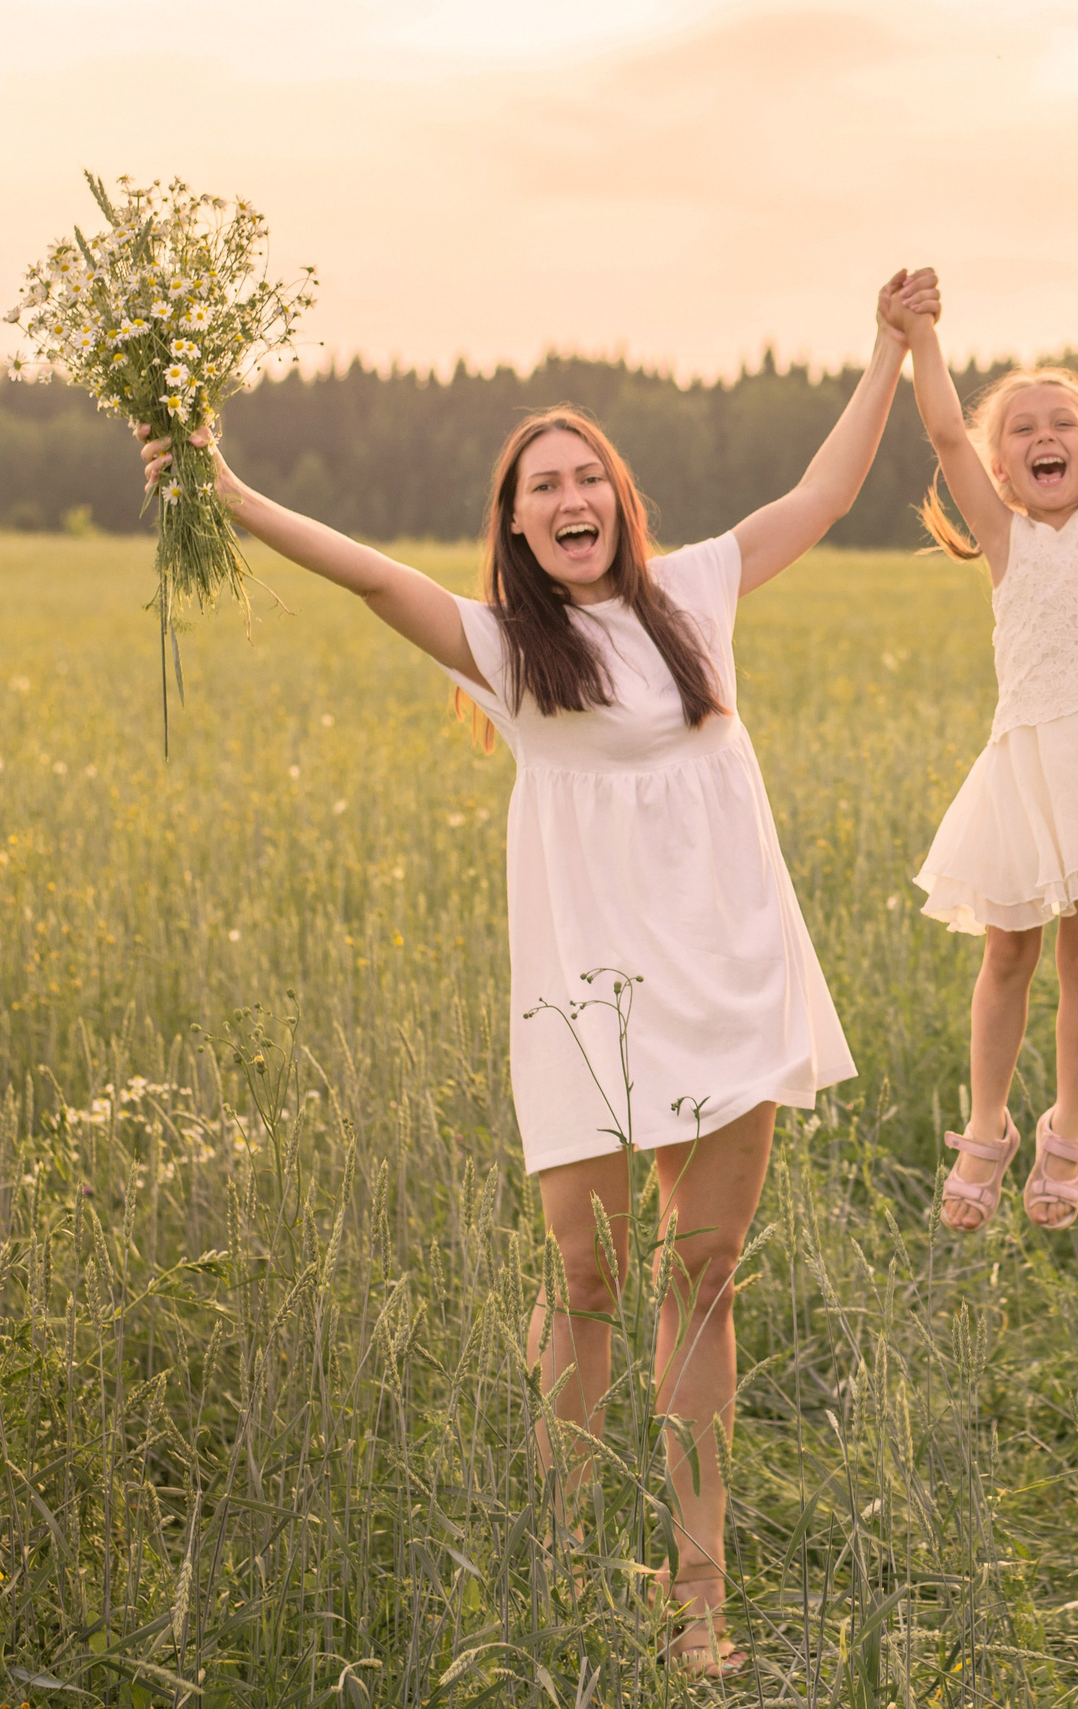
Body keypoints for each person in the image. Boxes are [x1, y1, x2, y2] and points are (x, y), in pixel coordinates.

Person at [137, 270, 930, 1676]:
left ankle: (699, 1598)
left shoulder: (698, 592)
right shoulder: (506, 647)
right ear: (512, 522)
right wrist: (224, 486)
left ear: (622, 499)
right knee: (585, 1273)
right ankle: (562, 1562)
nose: (569, 498)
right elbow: (371, 572)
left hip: (728, 975)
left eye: (588, 478)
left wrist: (889, 350)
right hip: (583, 993)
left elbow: (823, 488)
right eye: (539, 485)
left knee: (706, 1276)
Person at [898, 262, 1078, 1231]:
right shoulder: (1004, 537)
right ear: (1001, 464)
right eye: (1021, 429)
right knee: (1009, 950)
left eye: (1062, 423)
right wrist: (918, 333)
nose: (1044, 437)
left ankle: (1069, 1124)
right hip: (1027, 773)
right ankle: (988, 1123)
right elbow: (942, 427)